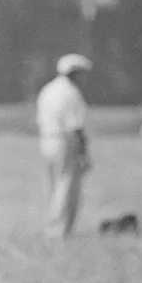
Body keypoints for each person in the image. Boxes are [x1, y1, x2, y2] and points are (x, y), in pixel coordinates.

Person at [36, 54, 93, 238]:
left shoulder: (48, 90)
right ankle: (60, 229)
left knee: (52, 184)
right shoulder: (71, 93)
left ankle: (51, 224)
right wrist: (84, 152)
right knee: (66, 184)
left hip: (46, 139)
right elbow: (76, 126)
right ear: (75, 73)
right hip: (64, 140)